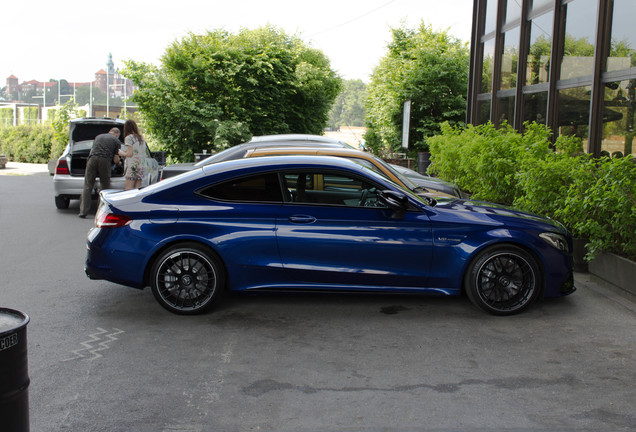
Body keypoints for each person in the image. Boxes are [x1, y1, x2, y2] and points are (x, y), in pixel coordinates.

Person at [79, 128, 122, 218]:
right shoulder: (116, 141)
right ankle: (100, 211)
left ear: (109, 132)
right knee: (104, 185)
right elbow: (115, 159)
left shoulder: (98, 137)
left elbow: (91, 151)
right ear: (117, 134)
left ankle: (83, 211)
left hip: (92, 159)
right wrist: (119, 163)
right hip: (105, 160)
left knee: (88, 185)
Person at [118, 119, 147, 190]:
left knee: (128, 189)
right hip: (141, 166)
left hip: (133, 166)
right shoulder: (141, 138)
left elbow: (129, 154)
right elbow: (137, 151)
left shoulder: (129, 138)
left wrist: (120, 152)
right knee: (137, 190)